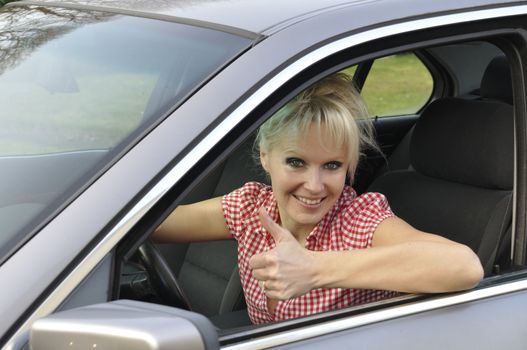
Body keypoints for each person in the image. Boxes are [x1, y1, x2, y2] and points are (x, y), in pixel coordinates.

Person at [153, 73, 484, 324]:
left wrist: (313, 268)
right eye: (296, 162)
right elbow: (144, 225)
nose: (314, 186)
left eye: (332, 165)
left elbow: (462, 266)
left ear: (349, 167)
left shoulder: (358, 219)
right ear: (267, 157)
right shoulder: (252, 207)